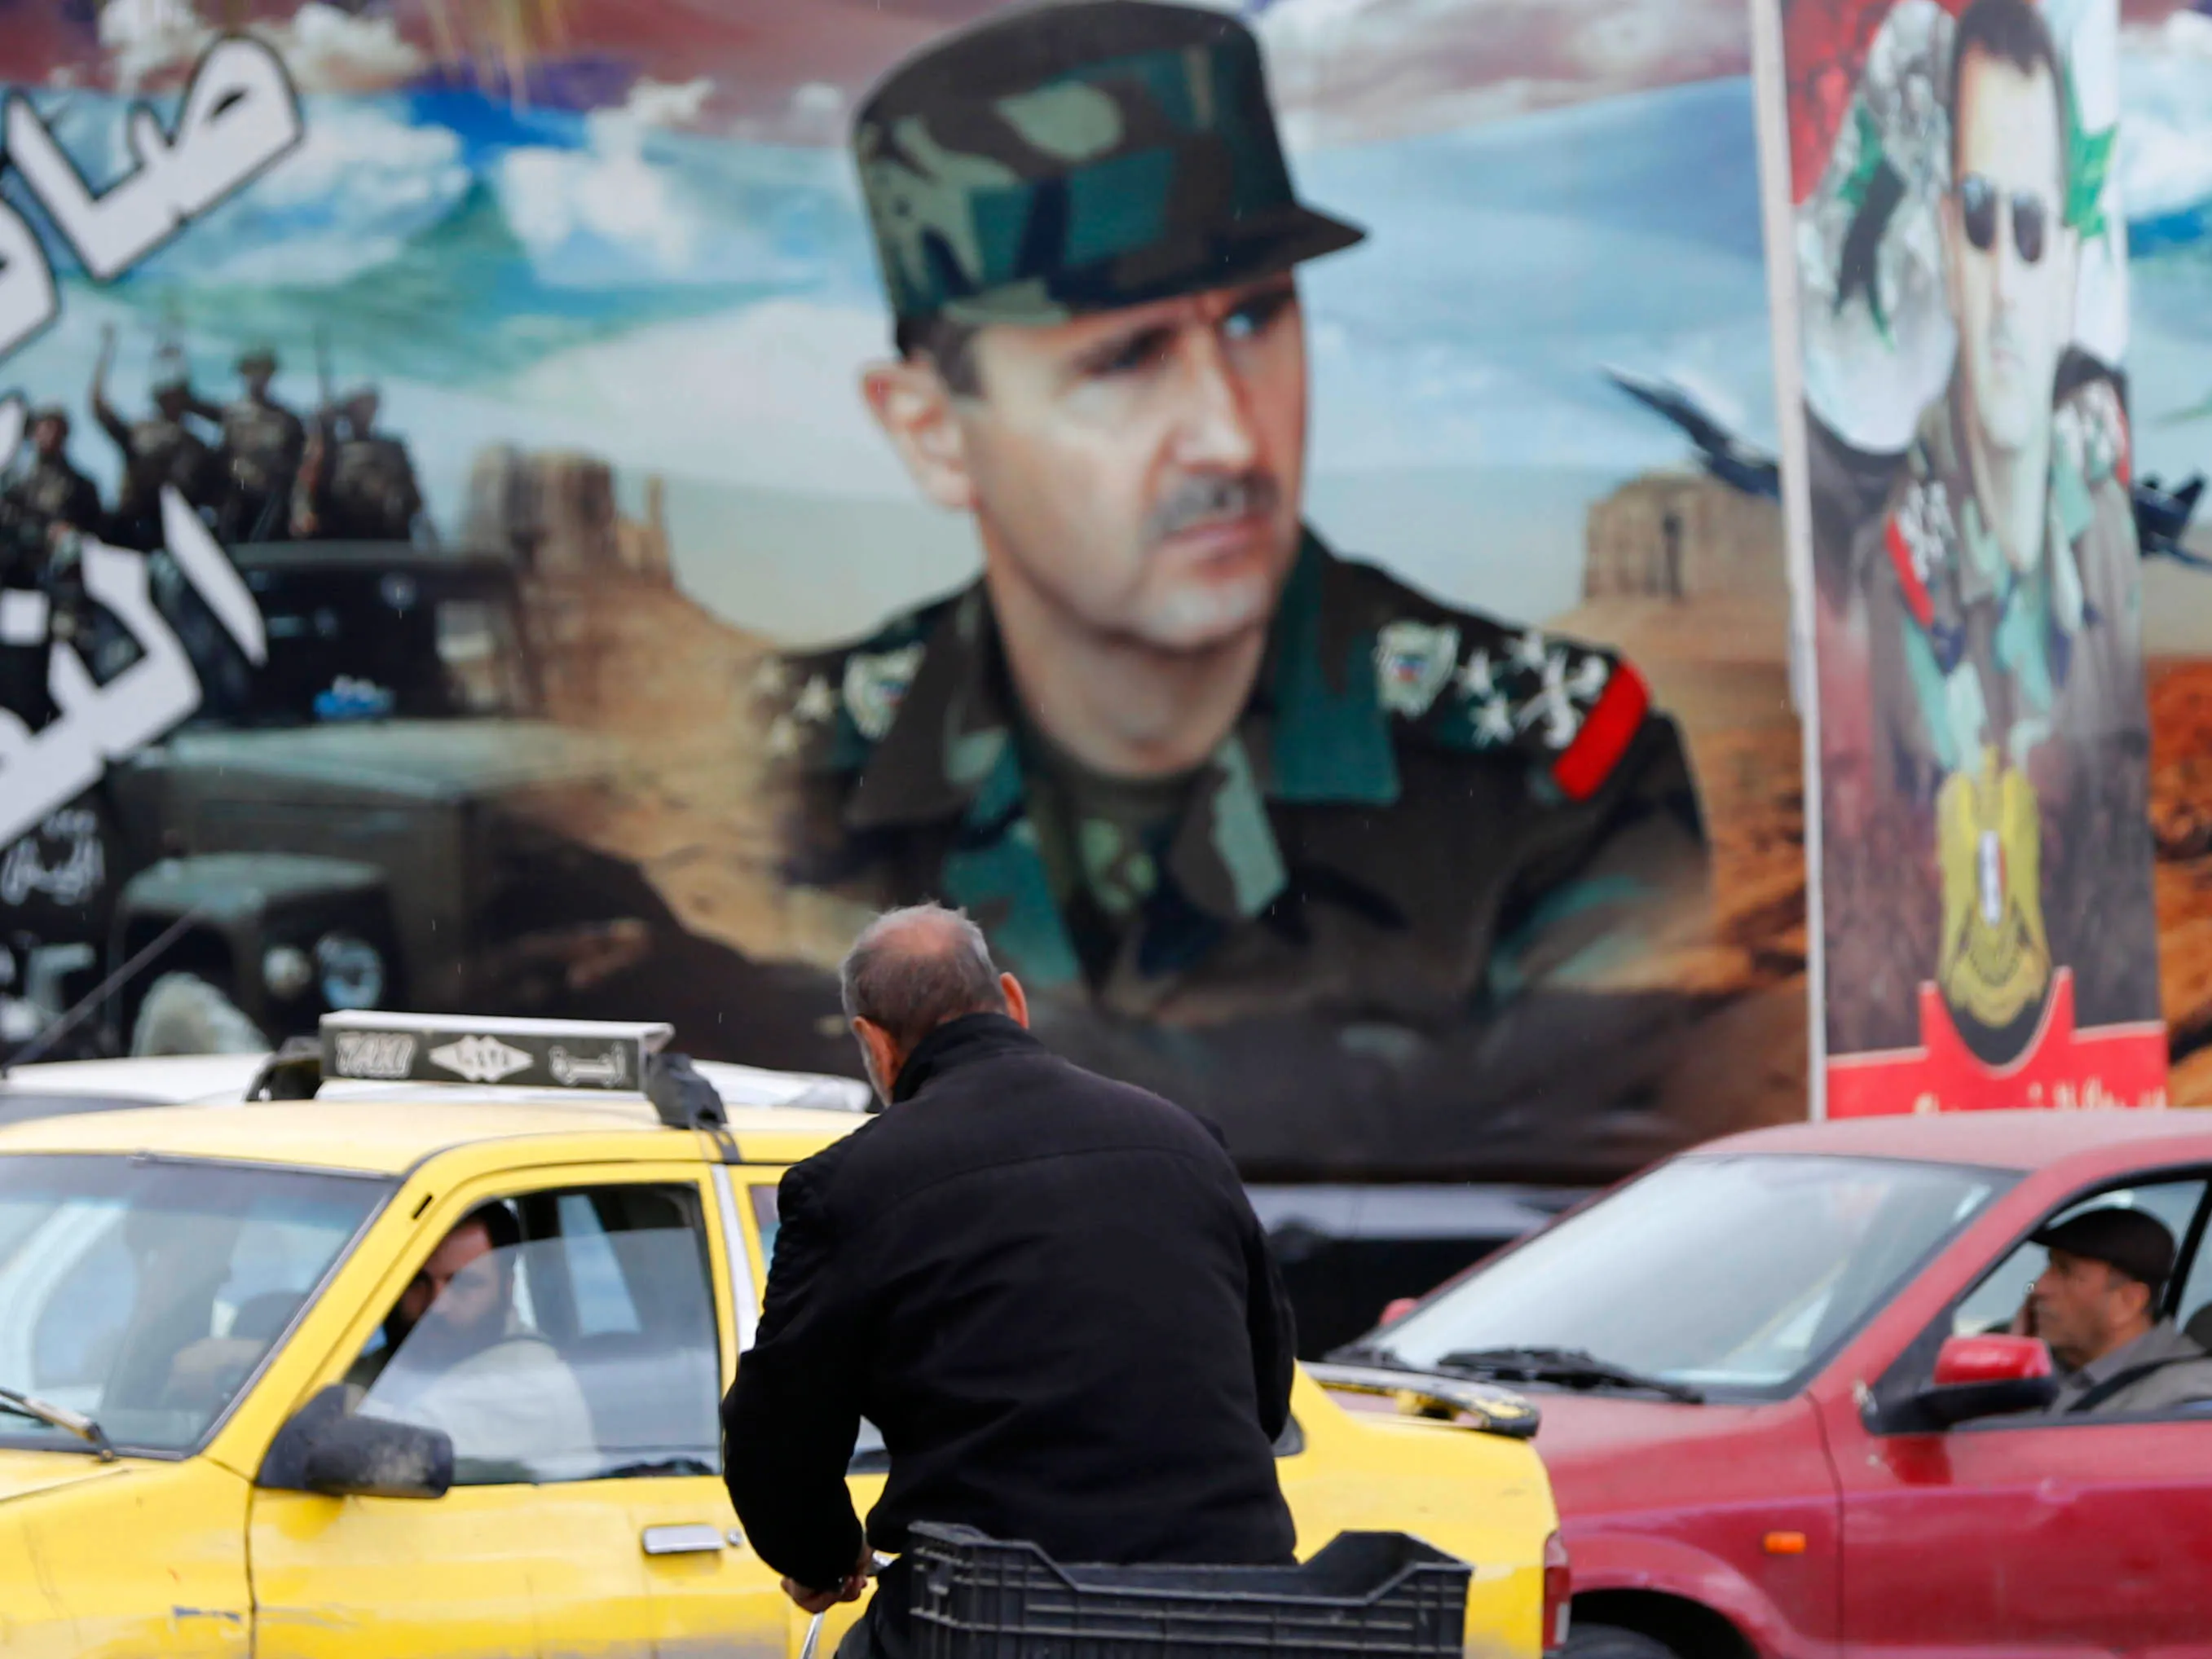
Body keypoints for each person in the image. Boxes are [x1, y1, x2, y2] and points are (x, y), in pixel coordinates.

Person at [758, 0, 1713, 1180]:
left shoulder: (1546, 779)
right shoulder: (792, 786)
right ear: (931, 430)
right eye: (1124, 355)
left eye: (1256, 314)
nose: (1227, 435)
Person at [721, 904, 1298, 1659]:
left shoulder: (852, 1185)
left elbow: (778, 1433)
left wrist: (822, 1557)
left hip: (993, 1619)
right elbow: (1266, 1385)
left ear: (875, 1045)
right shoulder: (1184, 1142)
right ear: (1013, 1001)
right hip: (1235, 1607)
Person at [1807, 0, 2152, 1061]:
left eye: (2034, 231)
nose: (2005, 284)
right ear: (1942, 249)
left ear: (2070, 265)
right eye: (1977, 219)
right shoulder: (1881, 579)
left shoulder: (2101, 539)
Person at [349, 1202, 597, 1478]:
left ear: (507, 1287)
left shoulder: (527, 1385)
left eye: (464, 1284)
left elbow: (377, 1451)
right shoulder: (413, 1358)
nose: (437, 1306)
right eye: (417, 1281)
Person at [2018, 1208, 2212, 1415]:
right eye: (2049, 1266)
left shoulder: (2184, 1402)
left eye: (2065, 1271)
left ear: (2128, 1302)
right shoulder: (2057, 1366)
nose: (2039, 1287)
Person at [90, 332, 217, 552]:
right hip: (131, 524)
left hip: (174, 531)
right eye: (167, 396)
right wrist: (106, 353)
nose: (171, 401)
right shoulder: (140, 431)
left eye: (177, 396)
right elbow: (100, 409)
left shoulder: (195, 445)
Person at [190, 346, 305, 542]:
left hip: (270, 498)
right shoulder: (230, 413)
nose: (258, 377)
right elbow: (190, 403)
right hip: (233, 495)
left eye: (263, 371)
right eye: (252, 370)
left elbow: (298, 468)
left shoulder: (287, 420)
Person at [292, 385, 423, 542]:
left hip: (383, 533)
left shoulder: (392, 449)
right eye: (358, 406)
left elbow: (413, 499)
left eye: (369, 406)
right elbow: (306, 488)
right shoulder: (330, 452)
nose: (364, 413)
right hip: (339, 534)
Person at [3, 407, 103, 546]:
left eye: (58, 428)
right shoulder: (17, 482)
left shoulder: (81, 486)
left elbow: (95, 531)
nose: (52, 433)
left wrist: (70, 533)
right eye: (47, 426)